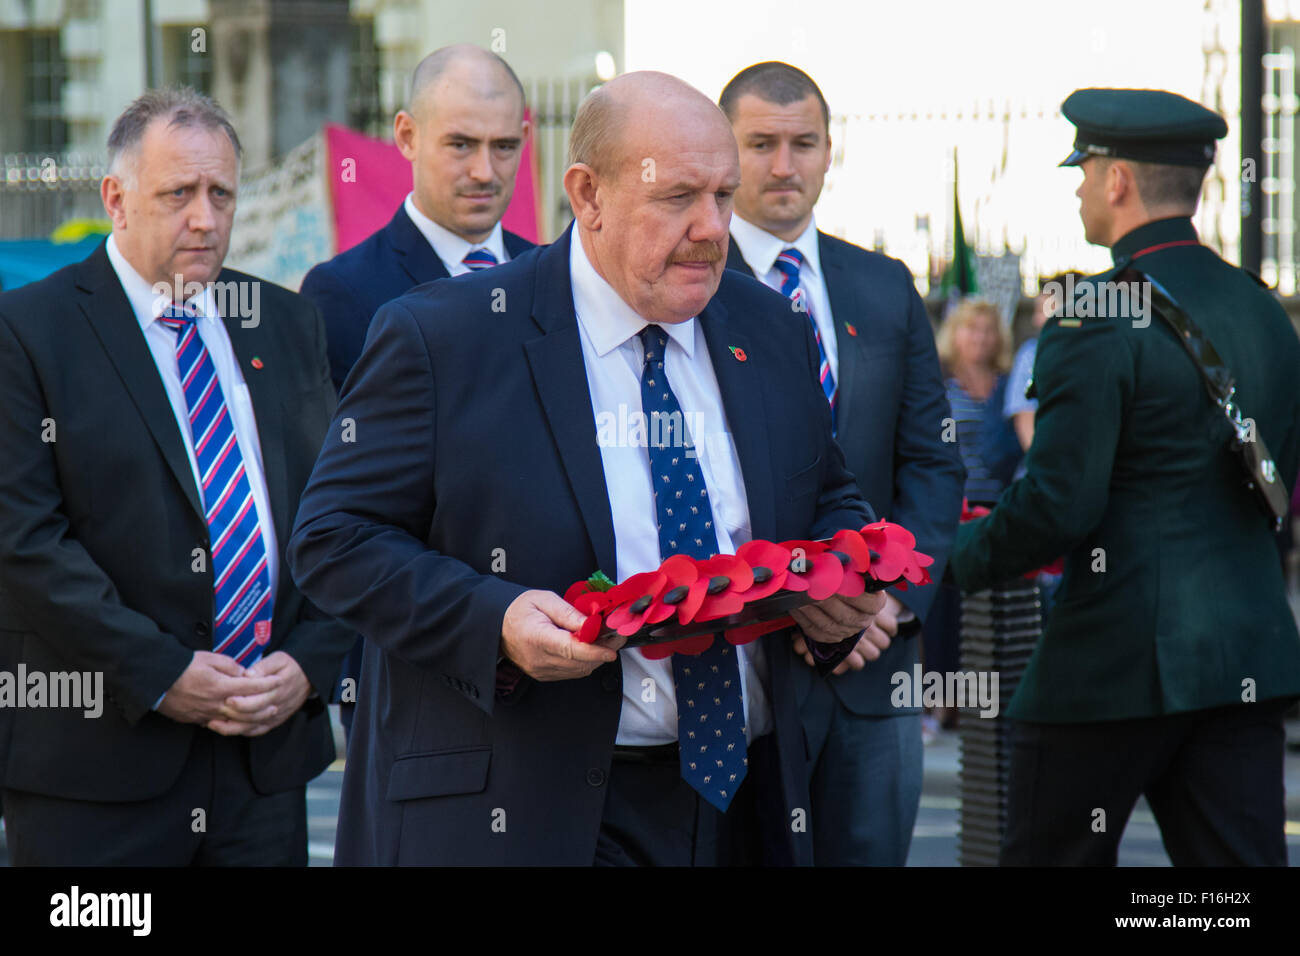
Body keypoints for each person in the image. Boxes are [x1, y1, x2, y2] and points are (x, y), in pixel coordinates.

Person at [287, 71, 885, 866]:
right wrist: (494, 620)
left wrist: (842, 576)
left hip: (746, 804)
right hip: (529, 811)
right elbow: (332, 539)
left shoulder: (768, 326)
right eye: (677, 198)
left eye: (723, 194)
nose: (712, 228)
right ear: (587, 194)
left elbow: (828, 494)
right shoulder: (447, 339)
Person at [0, 88, 353, 865]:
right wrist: (163, 674)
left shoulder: (285, 324)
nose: (205, 217)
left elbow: (338, 521)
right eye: (178, 194)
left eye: (221, 193)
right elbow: (26, 542)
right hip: (97, 771)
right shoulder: (28, 333)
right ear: (116, 200)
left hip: (263, 765)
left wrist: (308, 665)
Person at [950, 87, 1300, 865]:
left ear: (1117, 181)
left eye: (1085, 168)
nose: (1077, 185)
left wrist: (950, 560)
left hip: (1111, 666)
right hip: (1243, 652)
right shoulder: (1262, 309)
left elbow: (1058, 504)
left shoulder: (1095, 314)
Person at [719, 61, 964, 865]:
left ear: (830, 151)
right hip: (742, 665)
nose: (784, 165)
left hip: (876, 670)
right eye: (760, 144)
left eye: (803, 143)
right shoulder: (693, 285)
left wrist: (885, 604)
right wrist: (784, 601)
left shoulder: (885, 287)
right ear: (725, 151)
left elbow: (933, 463)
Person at [299, 45, 535, 740]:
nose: (484, 172)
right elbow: (342, 505)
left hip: (552, 635)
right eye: (460, 144)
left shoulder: (556, 272)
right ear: (405, 136)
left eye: (503, 146)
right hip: (417, 648)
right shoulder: (344, 291)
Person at [922, 298, 1011, 732]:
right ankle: (940, 706)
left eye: (987, 329)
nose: (979, 337)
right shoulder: (938, 381)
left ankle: (988, 705)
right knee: (945, 612)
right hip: (951, 512)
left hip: (997, 512)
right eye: (971, 328)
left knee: (995, 612)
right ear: (953, 332)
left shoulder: (1006, 383)